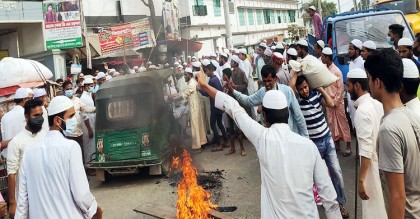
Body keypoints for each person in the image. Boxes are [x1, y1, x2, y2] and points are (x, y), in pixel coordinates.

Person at [195, 70, 342, 218]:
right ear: (287, 113)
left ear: (265, 116)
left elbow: (233, 107)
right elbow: (329, 198)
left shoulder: (262, 138)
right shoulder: (309, 147)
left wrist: (203, 84)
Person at [15, 96, 103, 218]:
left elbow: (22, 203)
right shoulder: (71, 147)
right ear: (57, 120)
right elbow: (81, 195)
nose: (75, 120)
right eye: (71, 116)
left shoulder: (29, 153)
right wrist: (94, 209)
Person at [365, 48, 420, 218]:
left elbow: (398, 196)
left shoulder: (389, 129)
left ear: (378, 83)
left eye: (369, 79)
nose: (368, 84)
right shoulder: (410, 115)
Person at [295, 76, 349, 218]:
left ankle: (341, 203)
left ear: (309, 86)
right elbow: (290, 87)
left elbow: (331, 104)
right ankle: (317, 205)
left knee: (336, 171)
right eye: (301, 89)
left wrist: (320, 89)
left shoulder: (316, 96)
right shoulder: (298, 102)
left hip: (327, 139)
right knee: (316, 177)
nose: (304, 91)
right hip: (313, 145)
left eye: (306, 87)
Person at [346, 68, 387, 219]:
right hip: (382, 163)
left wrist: (362, 180)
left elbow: (366, 149)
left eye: (348, 85)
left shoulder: (362, 111)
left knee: (373, 210)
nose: (347, 89)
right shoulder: (376, 103)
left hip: (371, 168)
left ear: (357, 86)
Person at [228, 65, 309, 138]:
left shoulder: (287, 91)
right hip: (274, 137)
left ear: (275, 79)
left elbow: (298, 116)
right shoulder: (262, 92)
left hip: (291, 134)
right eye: (264, 81)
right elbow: (248, 100)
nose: (267, 84)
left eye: (269, 81)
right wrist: (234, 91)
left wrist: (305, 137)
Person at [7, 99, 47, 218]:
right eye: (35, 115)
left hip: (46, 191)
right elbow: (12, 174)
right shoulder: (16, 142)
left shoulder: (45, 135)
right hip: (26, 196)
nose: (39, 118)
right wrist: (13, 203)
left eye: (41, 115)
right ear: (26, 116)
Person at [321, 47, 352, 157]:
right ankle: (337, 145)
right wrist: (326, 100)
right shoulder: (324, 69)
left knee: (343, 124)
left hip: (337, 103)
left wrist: (335, 102)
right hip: (328, 102)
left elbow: (340, 88)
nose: (321, 58)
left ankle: (348, 147)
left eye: (323, 56)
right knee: (332, 124)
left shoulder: (337, 71)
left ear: (327, 57)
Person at [171, 67, 207, 153]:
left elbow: (184, 95)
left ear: (190, 75)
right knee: (199, 125)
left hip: (194, 108)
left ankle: (197, 147)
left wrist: (172, 100)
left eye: (186, 75)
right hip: (195, 106)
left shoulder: (191, 83)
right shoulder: (193, 82)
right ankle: (202, 142)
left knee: (195, 127)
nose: (184, 76)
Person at [199, 59, 229, 151]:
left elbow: (208, 93)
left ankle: (219, 144)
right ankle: (226, 141)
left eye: (206, 71)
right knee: (219, 123)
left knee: (213, 124)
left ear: (211, 69)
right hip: (218, 104)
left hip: (215, 105)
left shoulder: (212, 80)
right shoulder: (215, 78)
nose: (206, 73)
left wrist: (200, 89)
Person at [63, 81, 96, 164]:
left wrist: (96, 108)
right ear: (63, 90)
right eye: (67, 89)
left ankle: (82, 172)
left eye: (71, 88)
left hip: (79, 133)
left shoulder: (77, 100)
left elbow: (85, 109)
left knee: (80, 153)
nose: (69, 90)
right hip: (68, 134)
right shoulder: (62, 102)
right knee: (70, 155)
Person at [222, 68, 246, 156]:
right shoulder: (225, 84)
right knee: (230, 130)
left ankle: (242, 149)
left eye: (223, 75)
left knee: (238, 130)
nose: (222, 76)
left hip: (234, 109)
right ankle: (232, 148)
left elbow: (231, 93)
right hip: (228, 110)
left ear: (226, 75)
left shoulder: (231, 84)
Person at [1, 88, 30, 158]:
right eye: (28, 99)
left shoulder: (5, 116)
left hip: (10, 156)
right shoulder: (26, 114)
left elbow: (4, 137)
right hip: (25, 154)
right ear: (24, 100)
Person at [347, 39, 364, 130]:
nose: (349, 51)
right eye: (348, 49)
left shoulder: (362, 63)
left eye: (351, 49)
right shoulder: (351, 64)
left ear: (357, 50)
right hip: (351, 97)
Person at [79, 78, 96, 165]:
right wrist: (89, 128)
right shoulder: (83, 98)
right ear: (86, 87)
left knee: (92, 145)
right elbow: (84, 114)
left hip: (92, 122)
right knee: (88, 146)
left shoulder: (89, 95)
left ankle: (92, 163)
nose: (93, 87)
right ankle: (89, 165)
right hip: (87, 125)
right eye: (91, 86)